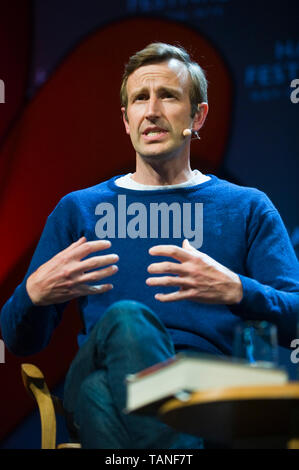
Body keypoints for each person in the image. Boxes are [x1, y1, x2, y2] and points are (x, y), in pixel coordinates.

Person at [1, 43, 299, 449]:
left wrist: (238, 290)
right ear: (126, 120)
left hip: (208, 388)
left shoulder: (246, 208)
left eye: (169, 96)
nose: (152, 110)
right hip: (107, 359)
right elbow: (20, 341)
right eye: (140, 98)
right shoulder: (80, 210)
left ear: (198, 115)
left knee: (96, 395)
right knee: (126, 319)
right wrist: (32, 295)